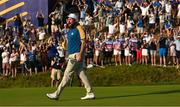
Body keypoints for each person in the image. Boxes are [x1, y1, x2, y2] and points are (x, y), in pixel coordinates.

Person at [46, 13, 95, 100]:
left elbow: (84, 42)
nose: (68, 21)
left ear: (75, 20)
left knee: (66, 75)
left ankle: (56, 94)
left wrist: (80, 54)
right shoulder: (69, 30)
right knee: (82, 73)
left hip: (76, 55)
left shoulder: (79, 28)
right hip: (72, 55)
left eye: (70, 19)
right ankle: (90, 92)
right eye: (67, 19)